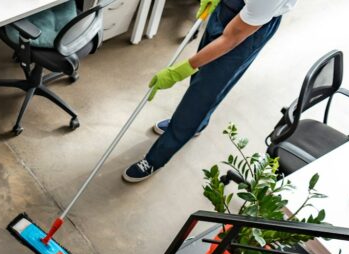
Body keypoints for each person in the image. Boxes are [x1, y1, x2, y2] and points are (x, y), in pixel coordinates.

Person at [122, 0, 294, 183]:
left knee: (201, 96)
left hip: (249, 30)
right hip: (234, 9)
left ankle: (155, 159)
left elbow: (231, 38)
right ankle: (198, 123)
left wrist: (180, 71)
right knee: (202, 80)